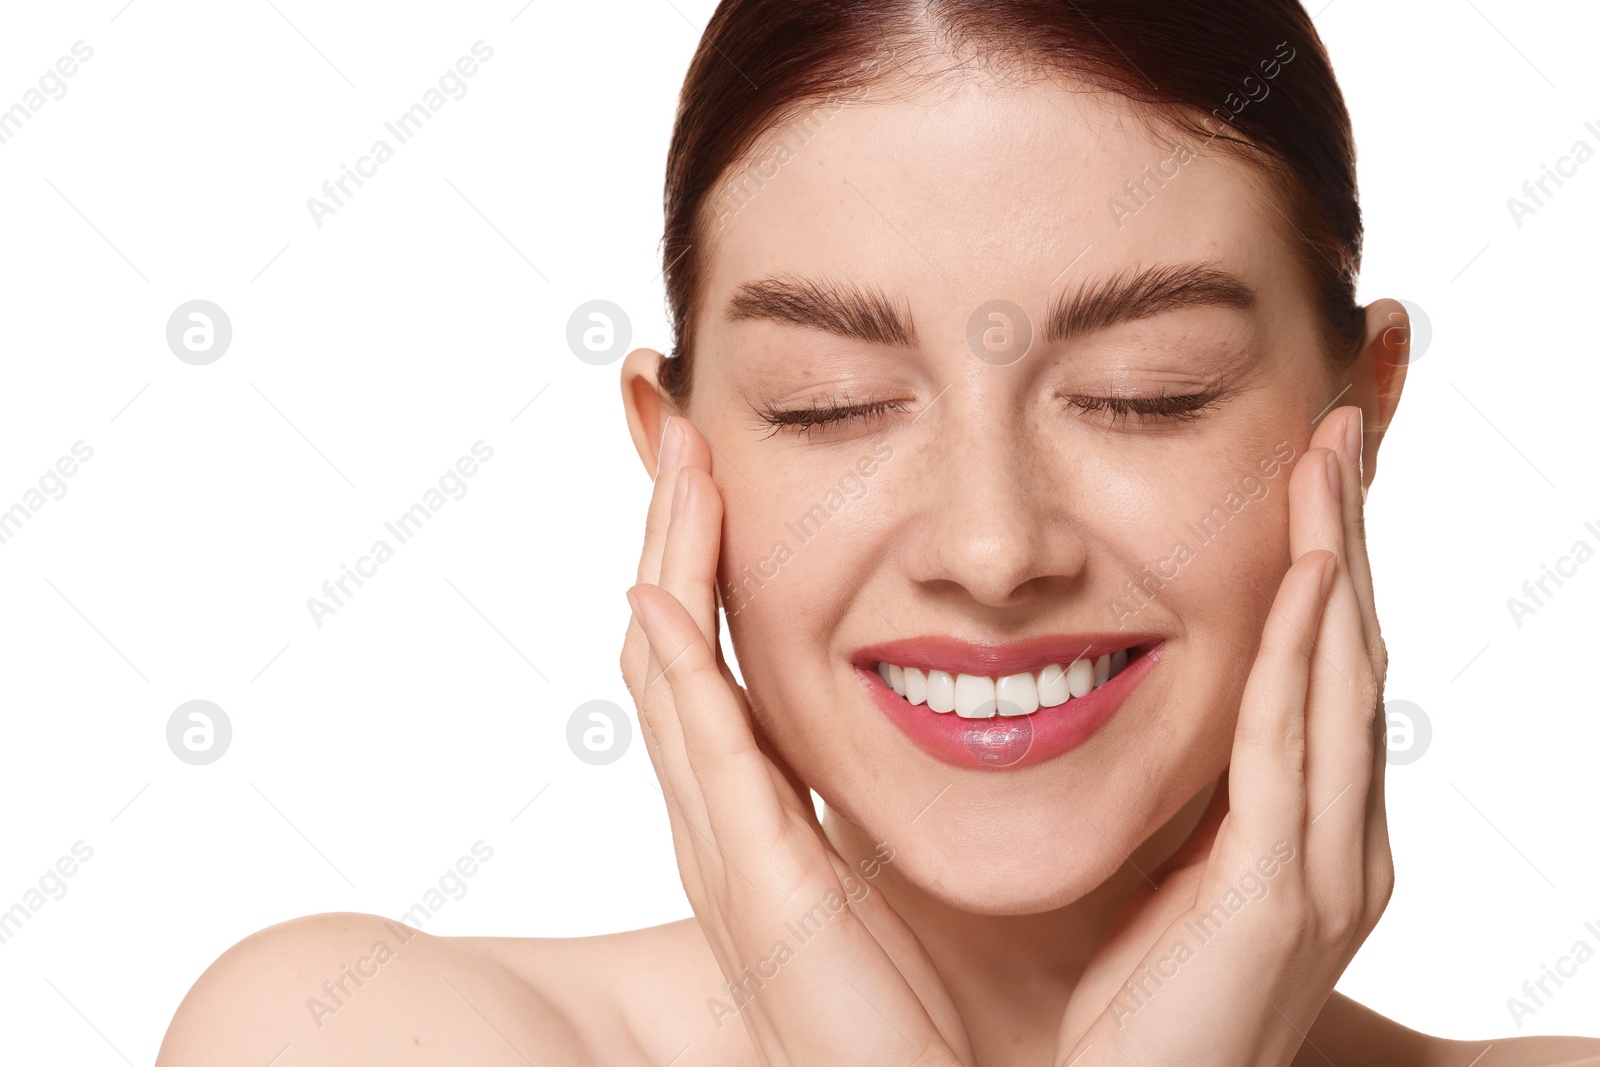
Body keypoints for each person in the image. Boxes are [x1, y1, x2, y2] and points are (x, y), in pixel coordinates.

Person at [156, 2, 1600, 1063]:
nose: (990, 549)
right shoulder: (348, 1033)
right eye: (831, 406)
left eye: (1142, 397)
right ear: (676, 458)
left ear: (1362, 412)